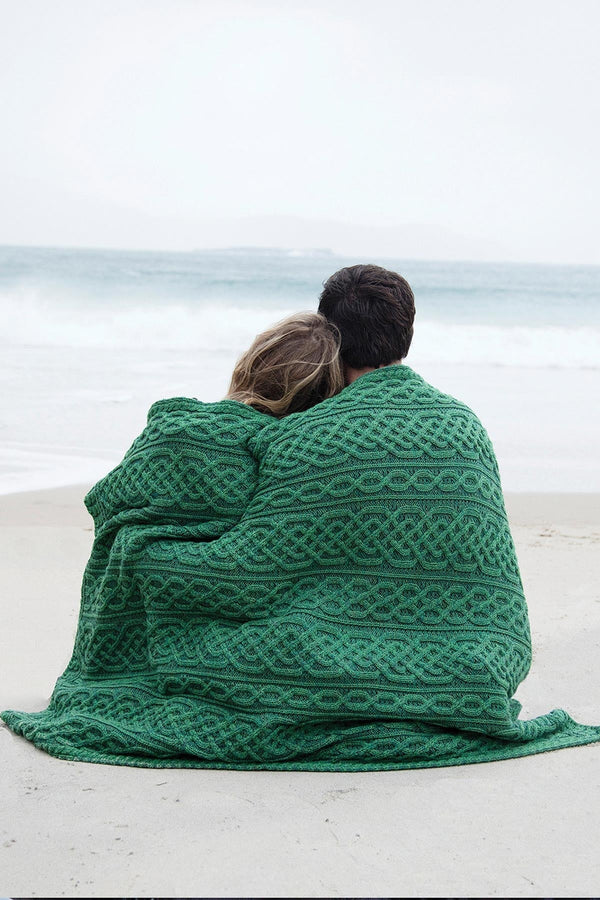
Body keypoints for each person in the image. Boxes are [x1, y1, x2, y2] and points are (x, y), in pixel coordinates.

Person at [4, 270, 599, 770]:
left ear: (330, 333)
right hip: (480, 667)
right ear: (409, 334)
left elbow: (244, 574)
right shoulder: (466, 425)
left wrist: (148, 553)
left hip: (334, 667)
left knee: (248, 643)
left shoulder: (304, 437)